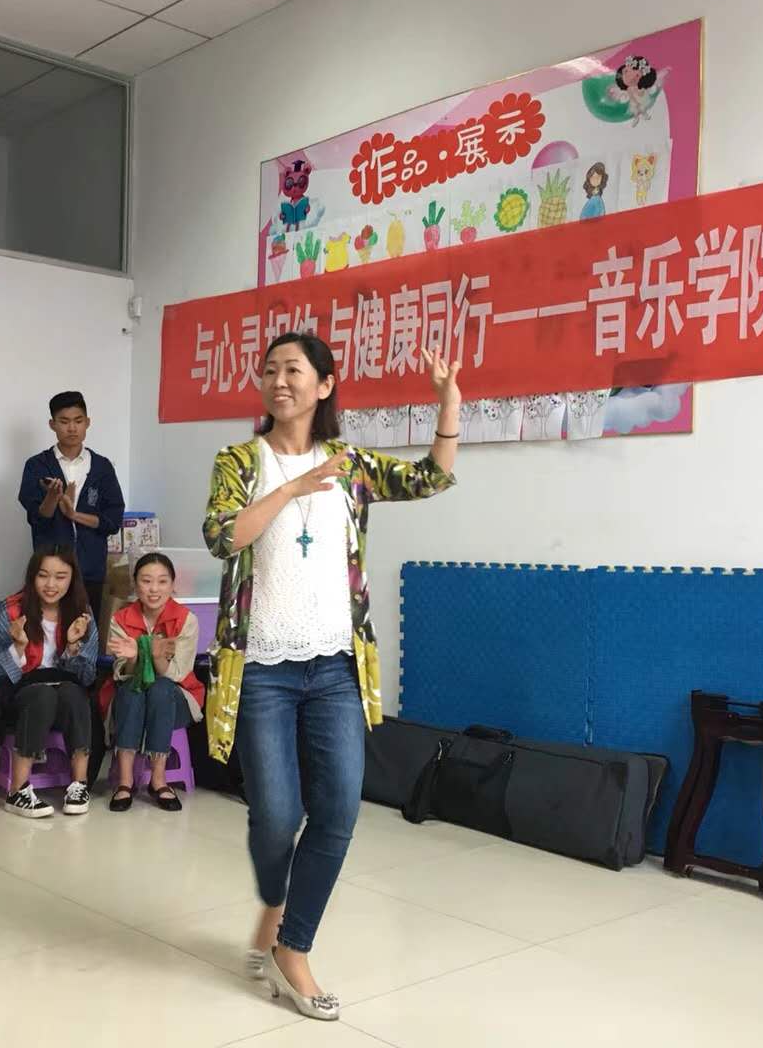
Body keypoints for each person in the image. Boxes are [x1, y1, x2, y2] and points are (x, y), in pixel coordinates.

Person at [203, 333, 460, 1020]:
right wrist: (290, 487)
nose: (278, 380)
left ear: (324, 384)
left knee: (340, 809)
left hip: (336, 666)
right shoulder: (239, 461)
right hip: (262, 666)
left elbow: (430, 479)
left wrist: (448, 406)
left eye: (293, 370)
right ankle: (275, 907)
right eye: (269, 370)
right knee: (277, 816)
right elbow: (223, 535)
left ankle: (292, 947)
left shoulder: (351, 464)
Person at [0, 546, 98, 818]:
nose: (51, 585)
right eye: (43, 575)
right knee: (43, 694)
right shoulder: (12, 610)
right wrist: (18, 646)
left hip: (65, 697)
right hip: (17, 698)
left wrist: (73, 647)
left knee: (74, 692)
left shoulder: (82, 614)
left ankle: (79, 785)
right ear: (32, 576)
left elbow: (88, 677)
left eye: (60, 577)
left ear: (72, 579)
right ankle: (17, 791)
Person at [102, 552, 203, 812]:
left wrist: (157, 659)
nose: (154, 589)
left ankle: (159, 780)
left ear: (172, 584)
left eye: (162, 581)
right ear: (135, 584)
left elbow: (178, 674)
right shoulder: (120, 619)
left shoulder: (186, 620)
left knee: (160, 687)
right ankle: (125, 781)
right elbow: (121, 674)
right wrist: (134, 658)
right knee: (132, 689)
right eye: (146, 581)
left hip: (174, 699)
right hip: (131, 698)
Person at [16, 390, 125, 621]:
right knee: (46, 630)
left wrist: (74, 515)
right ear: (52, 424)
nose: (72, 428)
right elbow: (37, 518)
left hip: (91, 571)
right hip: (50, 573)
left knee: (86, 631)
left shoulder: (102, 467)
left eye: (78, 421)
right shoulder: (37, 465)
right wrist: (52, 498)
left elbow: (112, 521)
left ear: (88, 422)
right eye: (64, 422)